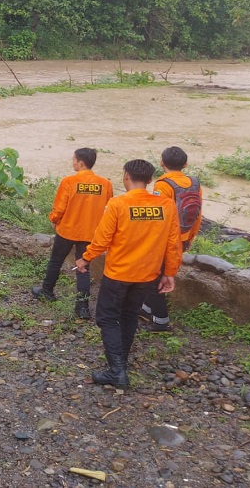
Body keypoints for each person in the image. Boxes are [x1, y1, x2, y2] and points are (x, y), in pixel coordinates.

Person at [76, 159, 183, 388]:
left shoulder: (118, 204)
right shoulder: (166, 205)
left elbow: (102, 240)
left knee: (107, 318)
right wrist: (169, 272)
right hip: (147, 275)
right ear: (150, 180)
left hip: (118, 274)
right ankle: (120, 363)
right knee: (129, 316)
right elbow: (173, 243)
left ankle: (116, 371)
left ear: (126, 176)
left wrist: (85, 258)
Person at [32, 148, 114, 319]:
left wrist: (54, 219)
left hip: (67, 230)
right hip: (90, 233)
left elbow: (59, 208)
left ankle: (47, 291)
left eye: (74, 160)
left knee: (56, 261)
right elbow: (109, 209)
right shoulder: (105, 184)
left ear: (81, 163)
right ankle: (82, 307)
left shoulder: (69, 181)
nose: (73, 162)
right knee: (83, 268)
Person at [140, 146, 203, 332]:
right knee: (159, 274)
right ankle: (146, 308)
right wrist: (190, 237)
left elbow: (159, 216)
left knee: (153, 277)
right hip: (182, 237)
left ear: (161, 162)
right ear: (185, 164)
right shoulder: (195, 183)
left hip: (165, 240)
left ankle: (161, 320)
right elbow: (198, 215)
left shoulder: (163, 185)